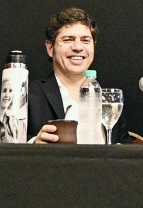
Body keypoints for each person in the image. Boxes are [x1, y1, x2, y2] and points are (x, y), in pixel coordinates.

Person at [28, 7, 98, 143]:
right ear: (50, 48)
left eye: (85, 40)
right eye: (68, 40)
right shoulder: (27, 95)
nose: (78, 47)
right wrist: (33, 145)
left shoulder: (110, 100)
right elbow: (1, 149)